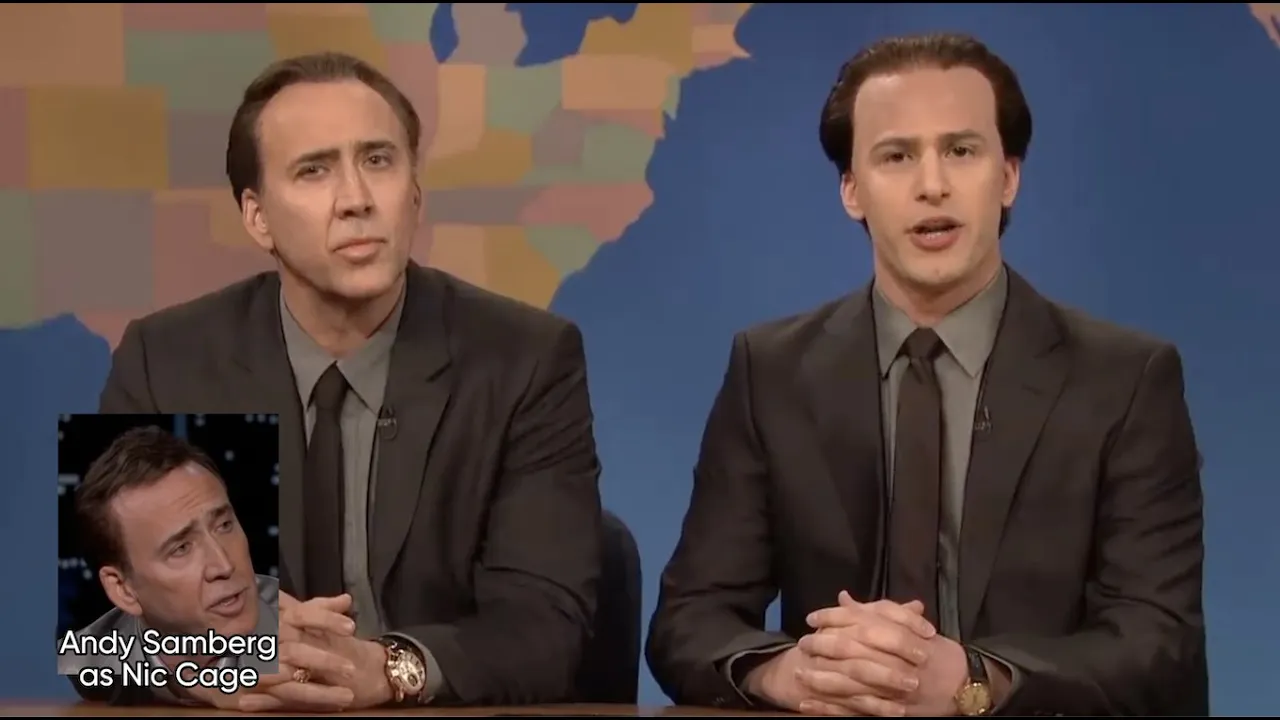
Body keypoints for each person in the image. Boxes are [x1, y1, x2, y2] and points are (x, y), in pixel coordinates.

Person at [645, 32, 1207, 717]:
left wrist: (974, 682)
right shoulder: (772, 372)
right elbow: (690, 620)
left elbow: (1158, 643)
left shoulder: (1125, 381)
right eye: (897, 156)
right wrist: (790, 673)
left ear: (1008, 177)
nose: (932, 184)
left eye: (961, 151)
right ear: (852, 190)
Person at [98, 52, 604, 712]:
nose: (357, 200)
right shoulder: (166, 361)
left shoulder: (524, 361)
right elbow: (96, 641)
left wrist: (388, 668)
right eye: (314, 170)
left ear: (414, 193)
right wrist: (210, 667)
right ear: (257, 216)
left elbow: (545, 627)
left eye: (378, 160)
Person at [58, 426, 279, 704]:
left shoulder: (302, 627)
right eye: (181, 548)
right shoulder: (89, 657)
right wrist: (195, 685)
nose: (223, 565)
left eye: (224, 525)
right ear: (123, 590)